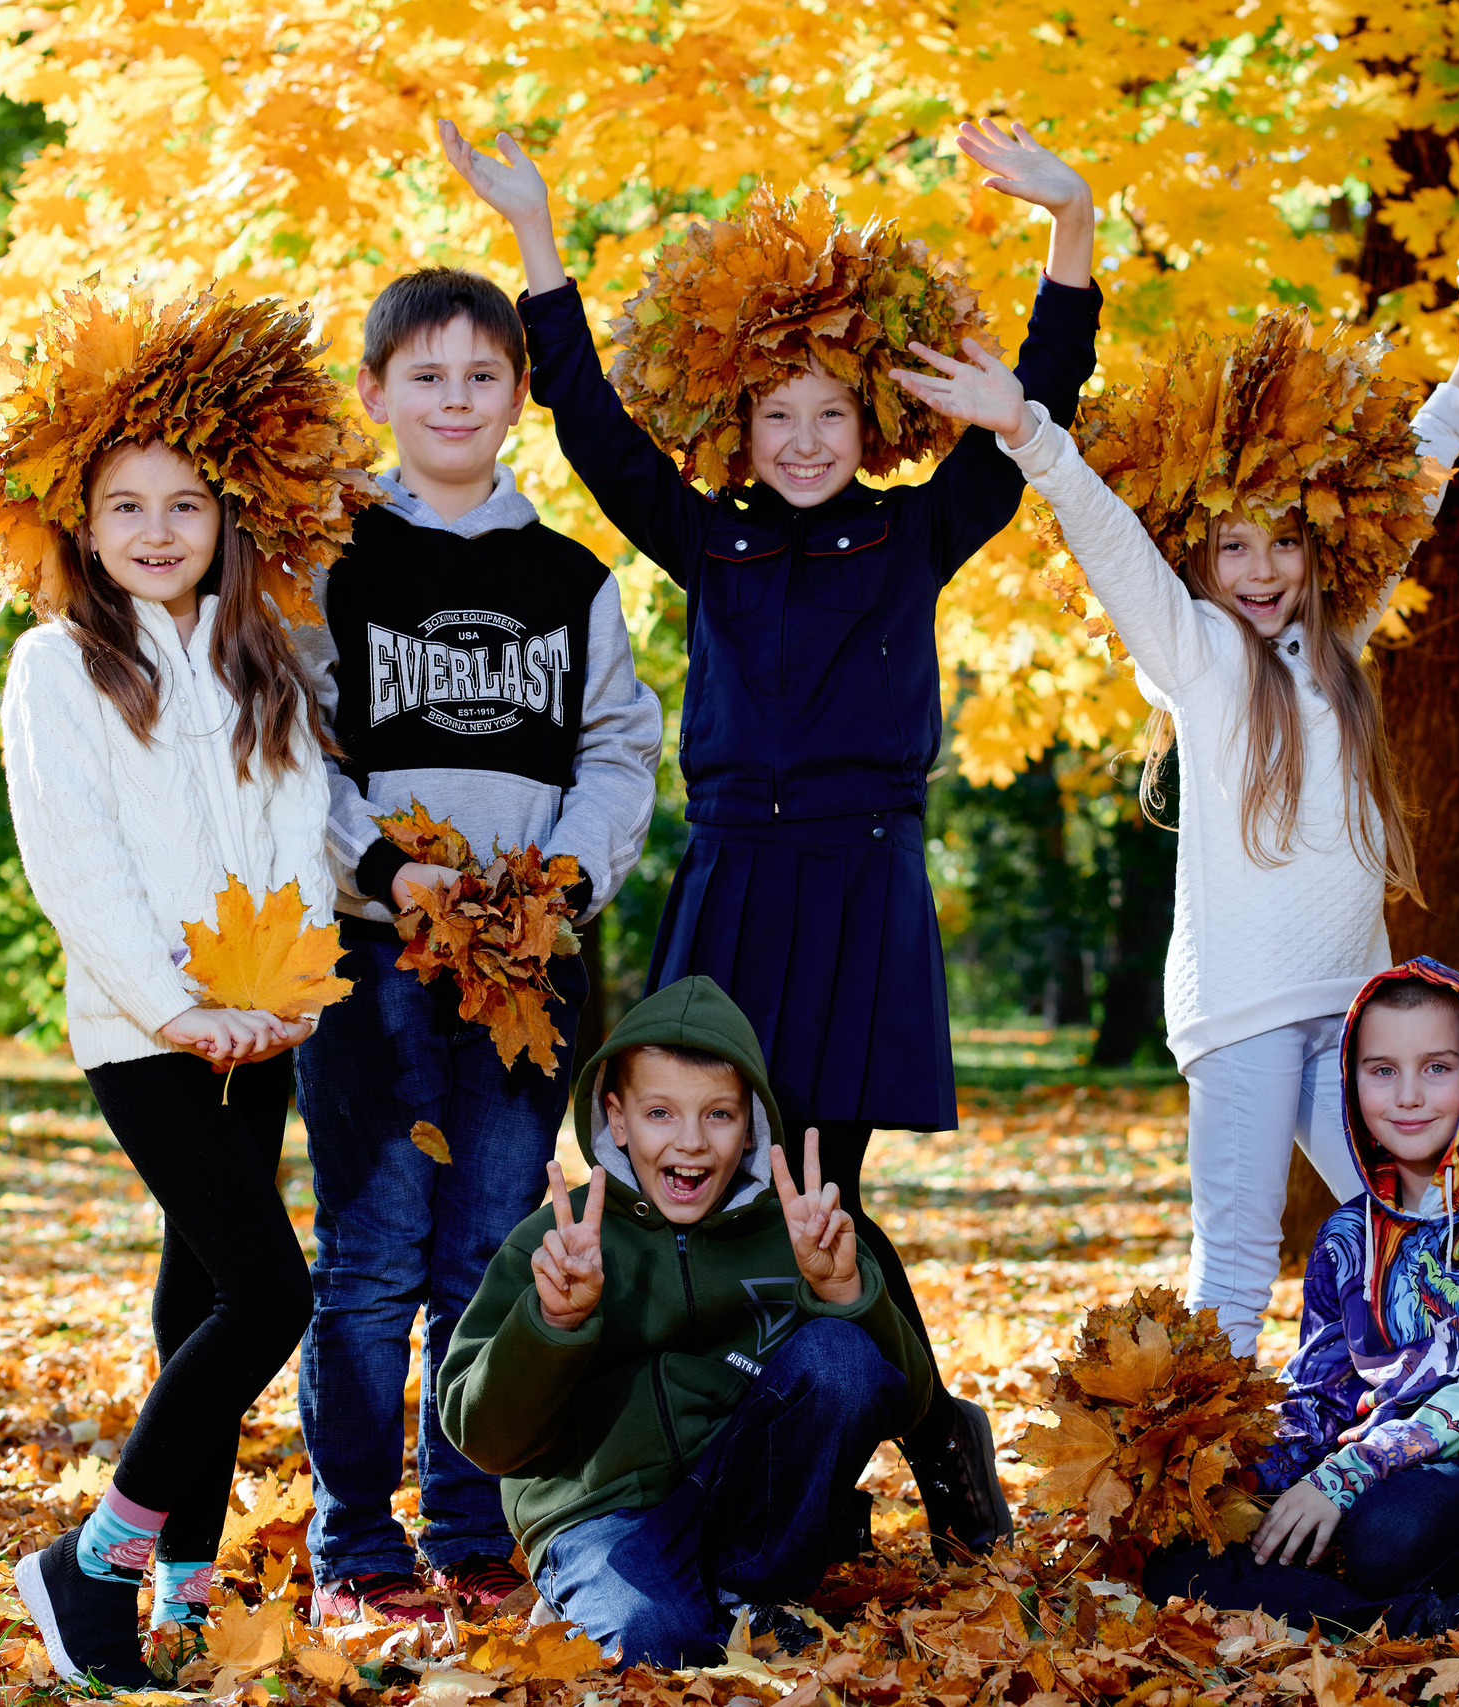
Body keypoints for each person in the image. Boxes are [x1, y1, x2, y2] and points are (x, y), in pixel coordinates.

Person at [441, 115, 1100, 1554]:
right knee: (711, 1192)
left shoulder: (917, 535)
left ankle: (919, 1434)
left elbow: (1037, 397)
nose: (804, 440)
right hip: (734, 886)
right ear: (738, 429)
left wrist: (1070, 222)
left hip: (861, 887)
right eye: (777, 416)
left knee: (821, 1196)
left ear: (873, 430)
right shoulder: (707, 537)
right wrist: (538, 239)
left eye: (832, 416)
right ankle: (762, 1454)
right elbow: (593, 427)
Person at [894, 265, 1459, 1357]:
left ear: (1317, 551)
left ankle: (1426, 1430)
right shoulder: (1200, 655)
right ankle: (1204, 1483)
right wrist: (1028, 428)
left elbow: (1404, 510)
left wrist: (1458, 392)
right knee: (1237, 1248)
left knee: (1422, 1224)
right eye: (1232, 546)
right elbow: (1106, 534)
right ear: (1202, 559)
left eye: (1283, 542)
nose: (1260, 569)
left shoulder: (1335, 649)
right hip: (1247, 1015)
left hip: (1352, 1014)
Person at [0, 290, 372, 1684]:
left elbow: (292, 834)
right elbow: (75, 863)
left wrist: (291, 988)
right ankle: (92, 1561)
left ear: (226, 517)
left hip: (256, 1019)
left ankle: (187, 1585)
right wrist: (170, 1004)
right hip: (146, 1034)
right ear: (81, 525)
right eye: (126, 505)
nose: (156, 530)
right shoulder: (59, 666)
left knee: (195, 1288)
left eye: (185, 504)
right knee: (271, 1293)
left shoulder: (260, 658)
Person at [287, 266, 664, 1623]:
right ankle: (354, 1544)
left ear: (520, 395)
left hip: (525, 962)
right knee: (373, 1253)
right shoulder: (328, 558)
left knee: (485, 1253)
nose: (457, 399)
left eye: (484, 376)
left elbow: (623, 745)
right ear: (377, 393)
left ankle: (467, 1526)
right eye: (426, 377)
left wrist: (568, 871)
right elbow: (289, 744)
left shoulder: (570, 579)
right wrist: (381, 866)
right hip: (371, 958)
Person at [439, 976, 932, 1665]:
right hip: (601, 1517)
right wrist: (549, 1322)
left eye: (719, 1115)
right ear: (616, 1118)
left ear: (752, 1121)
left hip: (740, 1503)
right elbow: (481, 1436)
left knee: (838, 1354)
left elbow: (904, 1400)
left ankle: (755, 1593)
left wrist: (846, 1288)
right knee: (659, 1645)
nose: (692, 1142)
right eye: (661, 1113)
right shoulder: (558, 1240)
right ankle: (608, 1600)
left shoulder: (792, 1235)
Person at [1143, 962, 1459, 1634]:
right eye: (1381, 1069)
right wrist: (1237, 1474)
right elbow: (1322, 1391)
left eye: (1438, 1067)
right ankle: (1432, 1614)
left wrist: (1346, 1476)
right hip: (1373, 1470)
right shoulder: (1346, 1236)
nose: (1409, 1095)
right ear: (1350, 1079)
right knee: (1179, 1553)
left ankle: (1375, 1590)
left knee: (1389, 1537)